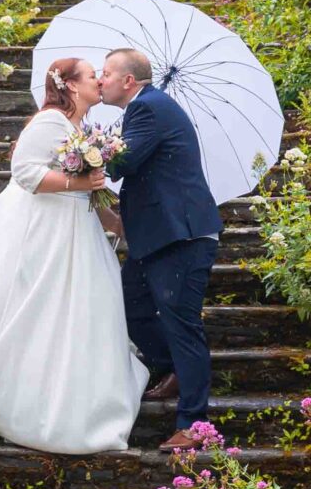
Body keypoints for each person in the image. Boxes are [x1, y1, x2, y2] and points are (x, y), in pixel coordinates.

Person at [0, 57, 148, 453]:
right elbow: (25, 172)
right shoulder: (50, 121)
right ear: (71, 85)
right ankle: (27, 398)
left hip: (78, 227)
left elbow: (86, 192)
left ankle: (85, 403)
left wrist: (114, 222)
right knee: (41, 306)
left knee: (87, 308)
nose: (98, 82)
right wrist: (80, 181)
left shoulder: (81, 129)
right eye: (92, 76)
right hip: (46, 229)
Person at [95, 46, 222, 450]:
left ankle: (194, 423)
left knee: (182, 324)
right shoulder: (144, 108)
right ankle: (173, 369)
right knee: (128, 305)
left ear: (128, 80)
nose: (100, 80)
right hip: (155, 237)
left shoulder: (147, 108)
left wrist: (84, 153)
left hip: (180, 237)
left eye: (106, 73)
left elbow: (122, 164)